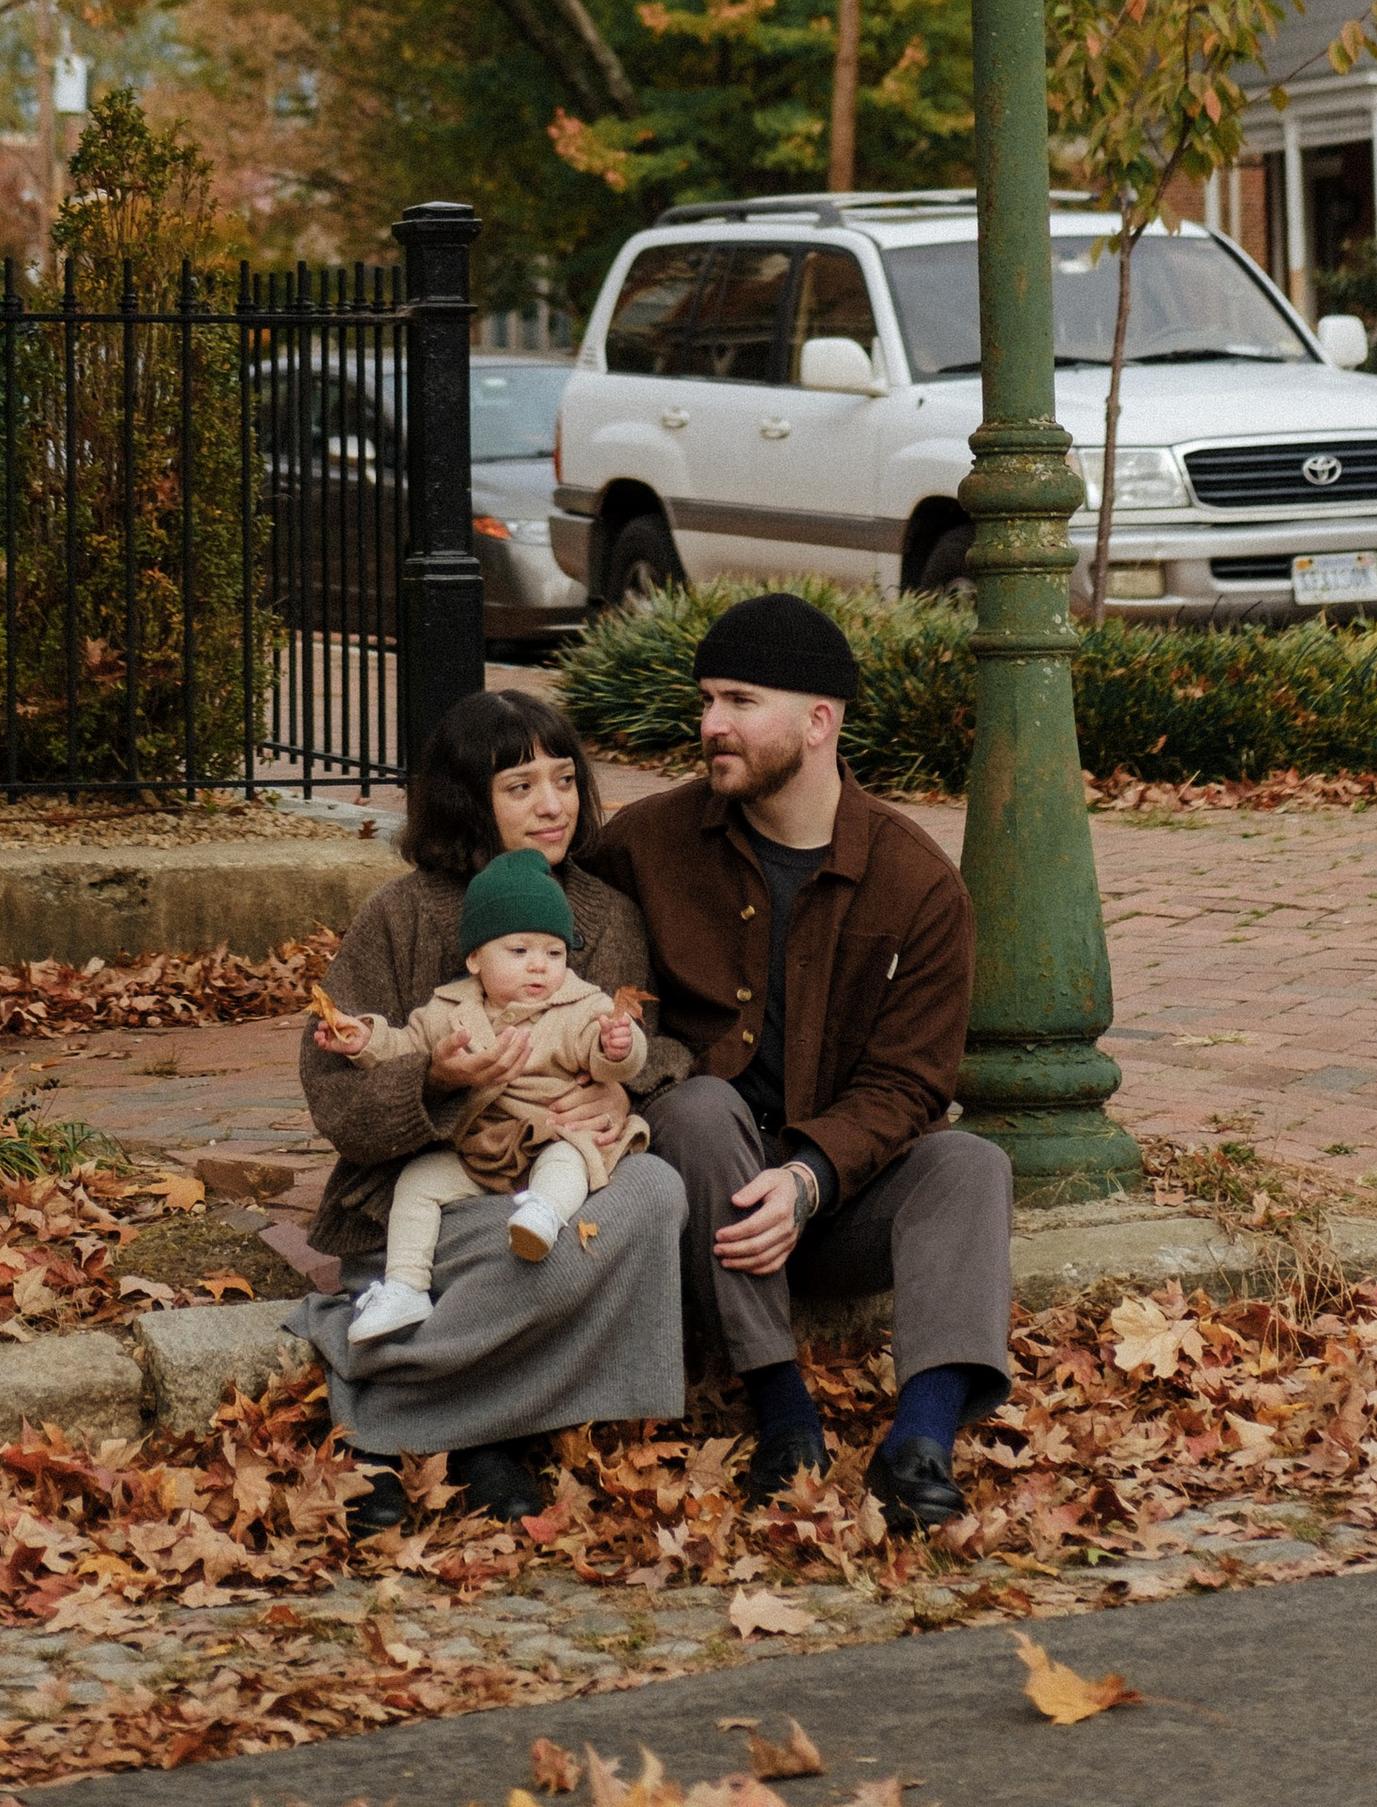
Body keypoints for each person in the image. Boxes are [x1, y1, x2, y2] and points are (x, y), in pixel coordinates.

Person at [589, 590, 1012, 1534]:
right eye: (707, 701)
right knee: (696, 1105)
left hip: (841, 1196)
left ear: (819, 721)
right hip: (705, 1193)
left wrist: (810, 1179)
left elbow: (911, 1084)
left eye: (739, 701)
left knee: (972, 1163)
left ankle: (921, 1444)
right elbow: (552, 949)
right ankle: (785, 1417)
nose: (711, 726)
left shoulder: (917, 884)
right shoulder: (645, 846)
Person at [294, 688, 689, 1529]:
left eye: (563, 779)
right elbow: (334, 1093)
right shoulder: (400, 915)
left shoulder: (604, 915)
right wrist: (433, 1081)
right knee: (529, 1259)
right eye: (519, 786)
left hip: (551, 1182)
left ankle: (440, 1416)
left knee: (653, 1196)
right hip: (426, 1200)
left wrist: (625, 1084)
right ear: (467, 799)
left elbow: (651, 1039)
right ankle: (446, 1433)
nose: (551, 804)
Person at [312, 846, 651, 1340]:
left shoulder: (579, 1005)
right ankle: (405, 1286)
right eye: (519, 952)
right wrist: (365, 1040)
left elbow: (603, 1052)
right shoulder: (447, 1010)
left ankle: (544, 1214)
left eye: (553, 953)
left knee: (570, 1159)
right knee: (417, 1183)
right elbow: (407, 1047)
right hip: (481, 1149)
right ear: (475, 958)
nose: (539, 967)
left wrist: (617, 1047)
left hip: (549, 1132)